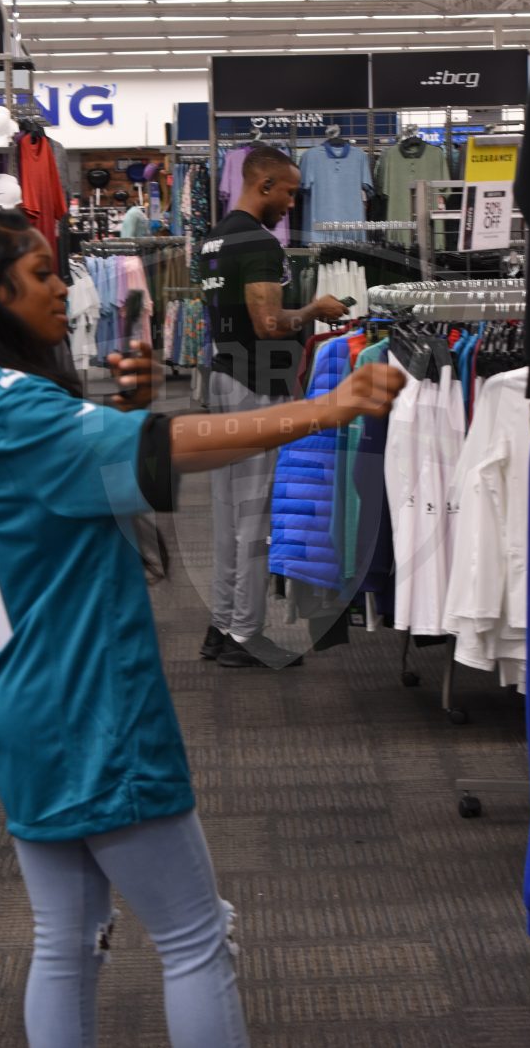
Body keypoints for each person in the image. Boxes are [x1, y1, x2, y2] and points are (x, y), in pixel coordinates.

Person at [0, 208, 403, 1048]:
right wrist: (328, 407)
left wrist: (122, 408)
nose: (65, 285)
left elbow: (89, 466)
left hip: (19, 696)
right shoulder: (21, 411)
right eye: (40, 275)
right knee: (196, 937)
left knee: (67, 939)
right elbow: (173, 446)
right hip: (89, 702)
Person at [200, 146, 348, 670]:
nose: (292, 202)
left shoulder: (215, 238)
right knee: (256, 516)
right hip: (255, 388)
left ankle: (221, 627)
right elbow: (268, 323)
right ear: (263, 186)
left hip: (222, 379)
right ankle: (245, 636)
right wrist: (315, 308)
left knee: (227, 513)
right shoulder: (259, 244)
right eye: (288, 191)